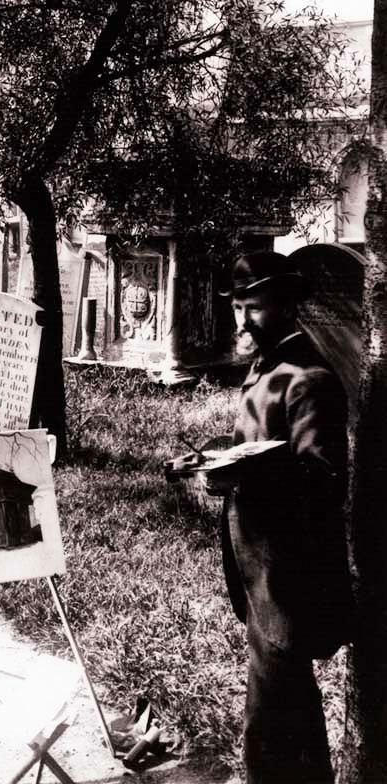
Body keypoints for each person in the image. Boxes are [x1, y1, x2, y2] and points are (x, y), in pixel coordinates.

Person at [218, 250, 354, 784]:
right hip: (260, 567)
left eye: (254, 307)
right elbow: (260, 451)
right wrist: (212, 459)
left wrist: (239, 477)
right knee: (277, 708)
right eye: (237, 307)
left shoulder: (308, 379)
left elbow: (323, 480)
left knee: (276, 716)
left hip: (290, 575)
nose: (242, 320)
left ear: (289, 307)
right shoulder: (268, 369)